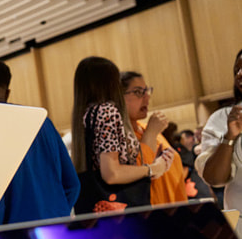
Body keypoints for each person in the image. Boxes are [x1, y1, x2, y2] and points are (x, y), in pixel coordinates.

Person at [0, 59, 80, 224]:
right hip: (57, 227)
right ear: (7, 93)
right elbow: (72, 184)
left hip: (14, 237)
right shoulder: (42, 121)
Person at [71, 56, 174, 213]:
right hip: (120, 206)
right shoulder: (107, 111)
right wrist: (153, 168)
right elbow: (112, 173)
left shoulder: (85, 114)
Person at [120, 71, 187, 205]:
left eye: (147, 91)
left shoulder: (146, 128)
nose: (147, 98)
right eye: (139, 92)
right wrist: (150, 133)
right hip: (152, 216)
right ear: (119, 97)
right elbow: (140, 172)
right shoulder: (119, 135)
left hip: (177, 212)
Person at [196, 48, 242, 211]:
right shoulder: (222, 118)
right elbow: (214, 179)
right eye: (237, 70)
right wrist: (229, 138)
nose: (240, 74)